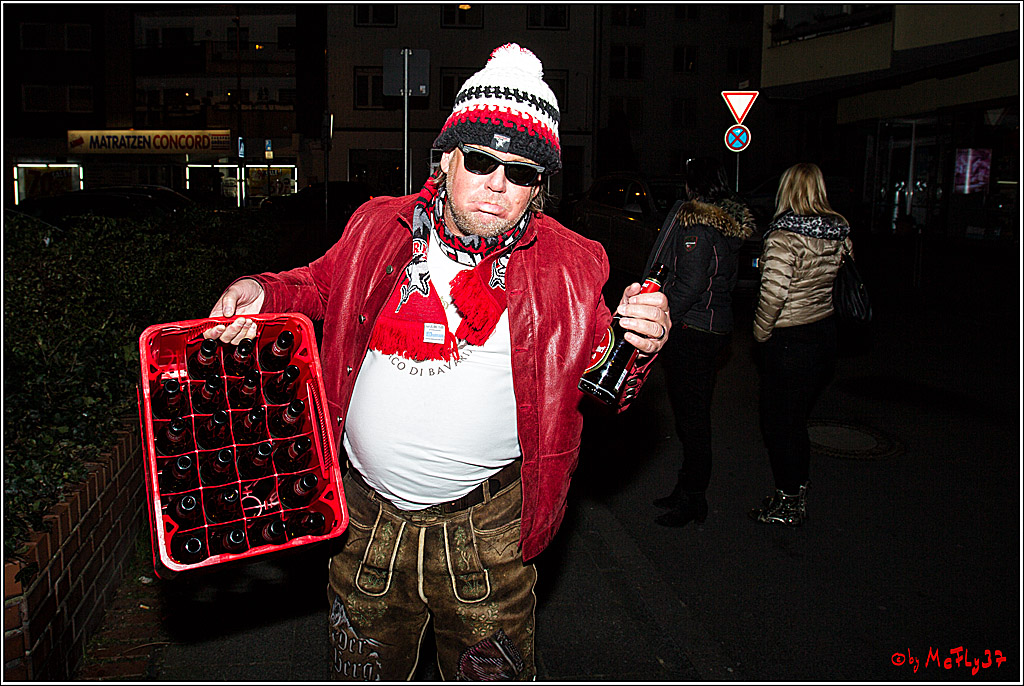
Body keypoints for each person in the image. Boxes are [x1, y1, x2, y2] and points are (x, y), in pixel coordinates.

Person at [204, 44, 671, 681]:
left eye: (524, 172)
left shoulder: (570, 263)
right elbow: (318, 286)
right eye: (481, 161)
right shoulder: (379, 227)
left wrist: (638, 346)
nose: (499, 185)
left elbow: (605, 379)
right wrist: (264, 291)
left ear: (540, 185)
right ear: (447, 157)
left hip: (488, 534)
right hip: (362, 521)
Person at [653, 157, 755, 528]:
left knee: (692, 420)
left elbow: (690, 285)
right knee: (692, 416)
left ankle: (693, 499)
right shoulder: (726, 225)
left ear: (691, 187)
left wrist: (664, 320)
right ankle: (687, 489)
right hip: (714, 329)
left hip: (694, 332)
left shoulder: (697, 225)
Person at [749, 163, 852, 526]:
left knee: (779, 423)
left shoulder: (784, 236)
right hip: (823, 333)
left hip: (789, 340)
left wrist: (760, 336)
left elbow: (773, 295)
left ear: (787, 190)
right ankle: (796, 488)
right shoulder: (837, 230)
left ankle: (788, 500)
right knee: (796, 420)